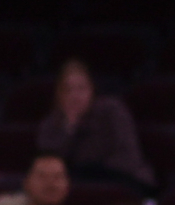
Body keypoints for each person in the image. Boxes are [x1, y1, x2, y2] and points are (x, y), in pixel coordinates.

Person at [36, 59, 153, 190]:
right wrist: (70, 129)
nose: (74, 96)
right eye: (67, 90)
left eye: (81, 88)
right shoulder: (52, 124)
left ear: (92, 90)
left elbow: (128, 156)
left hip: (122, 179)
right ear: (59, 95)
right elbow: (50, 166)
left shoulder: (112, 112)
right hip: (74, 185)